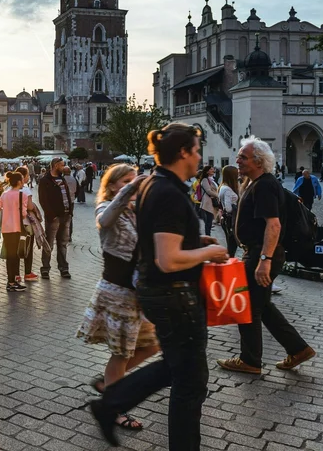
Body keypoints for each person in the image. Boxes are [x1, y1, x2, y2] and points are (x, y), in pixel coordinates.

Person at [89, 123, 228, 450]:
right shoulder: (168, 192)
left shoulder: (155, 183)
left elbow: (158, 239)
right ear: (183, 152)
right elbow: (168, 259)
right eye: (196, 150)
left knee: (178, 369)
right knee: (190, 383)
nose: (199, 157)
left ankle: (110, 403)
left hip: (160, 293)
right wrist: (209, 251)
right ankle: (110, 404)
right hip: (174, 295)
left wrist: (194, 240)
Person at [217, 136, 316, 375]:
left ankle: (250, 360)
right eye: (239, 155)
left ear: (258, 161)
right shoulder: (254, 183)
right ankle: (298, 349)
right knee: (262, 306)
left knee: (248, 307)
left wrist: (264, 260)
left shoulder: (264, 185)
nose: (237, 160)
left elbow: (274, 225)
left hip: (261, 254)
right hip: (257, 253)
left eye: (243, 156)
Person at [77, 164, 159, 431]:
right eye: (125, 181)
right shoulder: (106, 207)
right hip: (118, 291)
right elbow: (104, 220)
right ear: (112, 185)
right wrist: (132, 188)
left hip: (138, 292)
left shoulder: (137, 211)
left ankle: (109, 382)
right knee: (121, 354)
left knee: (152, 344)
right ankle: (113, 407)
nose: (131, 185)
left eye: (133, 180)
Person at [0, 171, 28, 291]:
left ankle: (11, 281)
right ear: (18, 182)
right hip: (16, 227)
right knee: (15, 254)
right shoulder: (22, 195)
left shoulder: (5, 194)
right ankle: (12, 282)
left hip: (5, 228)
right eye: (22, 179)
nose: (23, 182)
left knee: (10, 255)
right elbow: (23, 214)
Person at [38, 157, 73, 279]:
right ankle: (45, 268)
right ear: (56, 165)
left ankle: (63, 268)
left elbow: (67, 196)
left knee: (62, 244)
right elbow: (43, 200)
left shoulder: (62, 179)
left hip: (66, 215)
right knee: (49, 244)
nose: (64, 167)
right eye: (62, 165)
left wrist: (70, 212)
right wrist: (51, 215)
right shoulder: (45, 180)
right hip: (54, 217)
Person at [15, 166, 39, 281]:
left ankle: (16, 274)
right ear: (23, 177)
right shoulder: (26, 190)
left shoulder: (10, 190)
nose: (28, 177)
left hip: (14, 223)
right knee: (27, 247)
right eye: (28, 175)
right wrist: (34, 206)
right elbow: (29, 206)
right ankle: (27, 273)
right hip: (26, 223)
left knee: (15, 248)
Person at [218, 165, 240, 257]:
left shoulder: (223, 187)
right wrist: (236, 207)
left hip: (226, 219)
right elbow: (228, 208)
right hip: (231, 220)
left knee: (231, 244)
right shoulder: (227, 189)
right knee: (232, 245)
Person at [197, 165, 219, 235]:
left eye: (213, 169)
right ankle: (208, 236)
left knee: (209, 221)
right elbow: (208, 191)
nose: (213, 170)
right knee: (208, 222)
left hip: (210, 202)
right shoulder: (205, 180)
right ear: (207, 171)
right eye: (211, 169)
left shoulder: (211, 179)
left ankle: (208, 236)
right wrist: (218, 195)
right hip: (207, 203)